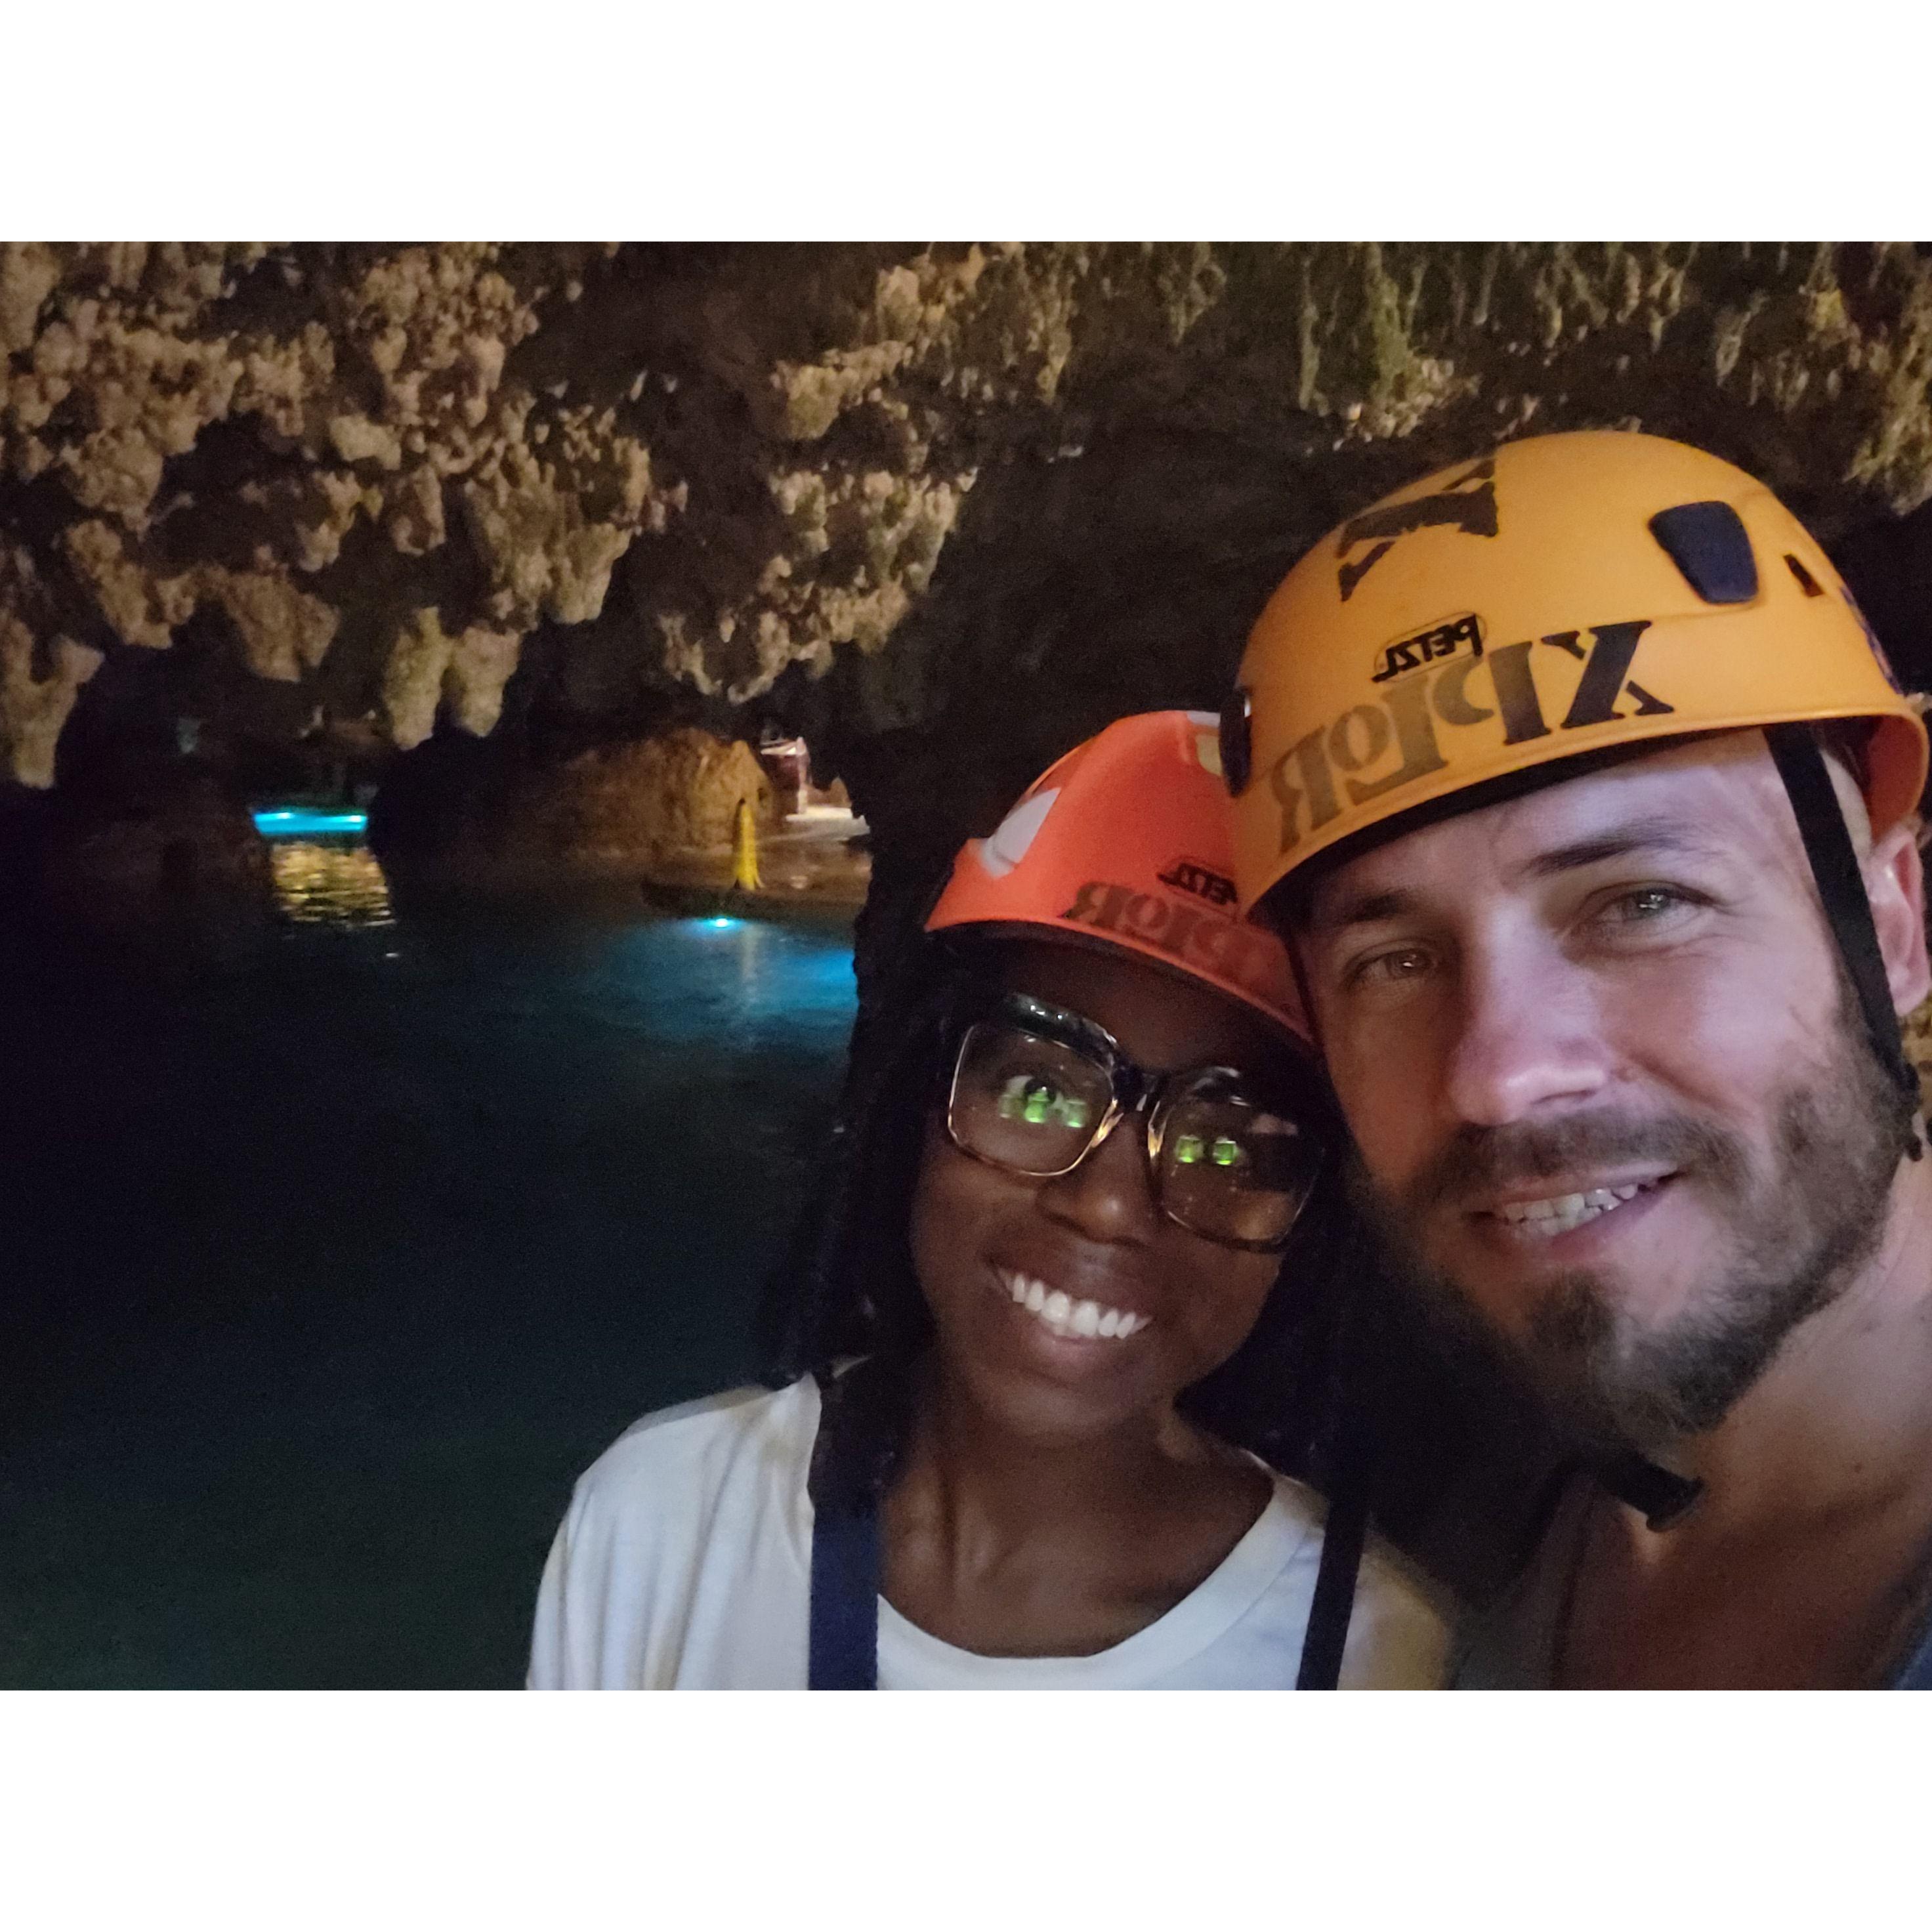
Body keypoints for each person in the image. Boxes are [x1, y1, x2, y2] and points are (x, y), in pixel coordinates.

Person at [529, 711, 1450, 1688]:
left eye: (1222, 1146)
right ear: (917, 1104)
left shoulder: (1371, 1655)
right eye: (1042, 1090)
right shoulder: (663, 1525)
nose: (1106, 1206)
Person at [1219, 429, 1932, 1688]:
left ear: (1891, 929)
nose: (1497, 1076)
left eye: (1641, 902)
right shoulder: (1455, 1521)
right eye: (1392, 962)